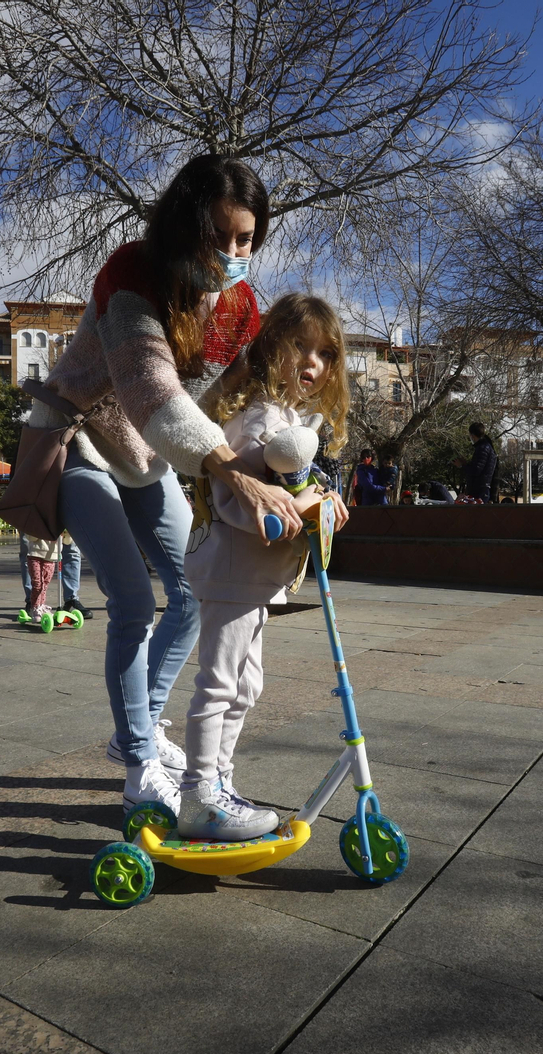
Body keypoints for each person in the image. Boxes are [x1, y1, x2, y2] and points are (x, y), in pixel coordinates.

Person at [33, 154, 304, 816]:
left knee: (189, 592)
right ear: (185, 227)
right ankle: (138, 768)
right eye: (221, 236)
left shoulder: (239, 305)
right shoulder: (133, 273)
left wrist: (291, 460)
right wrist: (227, 470)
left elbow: (237, 399)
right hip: (78, 442)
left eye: (247, 239)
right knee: (130, 601)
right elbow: (150, 386)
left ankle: (139, 732)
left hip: (153, 457)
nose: (235, 253)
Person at [181, 293, 350, 838]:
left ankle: (219, 784)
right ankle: (200, 792)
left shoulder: (293, 421)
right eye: (299, 346)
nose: (312, 362)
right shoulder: (258, 417)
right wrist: (307, 505)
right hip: (231, 569)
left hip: (253, 579)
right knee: (219, 683)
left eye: (324, 353)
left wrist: (319, 498)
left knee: (245, 686)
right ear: (270, 347)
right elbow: (238, 502)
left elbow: (290, 487)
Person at [462, 422, 497, 502]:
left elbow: (476, 470)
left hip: (480, 489)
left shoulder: (483, 448)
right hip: (482, 487)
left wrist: (462, 466)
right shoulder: (486, 447)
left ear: (473, 435)